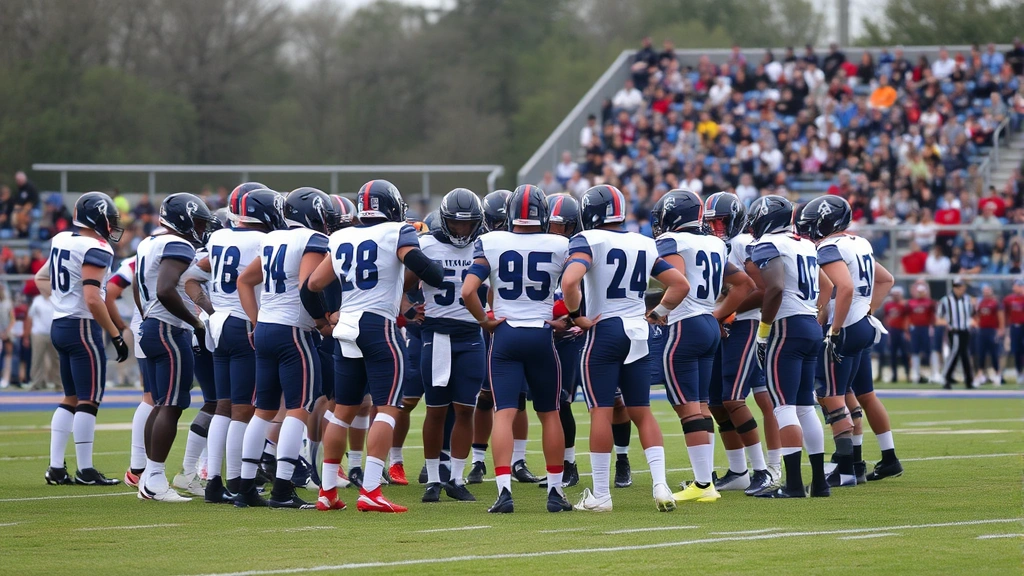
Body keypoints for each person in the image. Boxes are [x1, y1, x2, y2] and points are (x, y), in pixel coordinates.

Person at [309, 179, 444, 513]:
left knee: (343, 410)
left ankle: (327, 491)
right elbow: (421, 266)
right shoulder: (397, 231)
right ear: (393, 206)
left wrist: (324, 319)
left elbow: (313, 284)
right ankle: (370, 488)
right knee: (388, 407)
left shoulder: (340, 236)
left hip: (346, 325)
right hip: (377, 324)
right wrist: (436, 272)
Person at [563, 185, 687, 513]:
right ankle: (661, 485)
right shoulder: (644, 242)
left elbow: (569, 281)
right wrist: (657, 313)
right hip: (638, 331)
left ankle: (602, 495)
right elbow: (680, 284)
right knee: (641, 411)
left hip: (605, 329)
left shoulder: (589, 239)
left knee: (601, 411)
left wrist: (577, 316)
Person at [461, 185, 571, 514]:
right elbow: (575, 286)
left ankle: (504, 491)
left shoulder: (491, 242)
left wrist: (485, 321)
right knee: (550, 414)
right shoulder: (560, 244)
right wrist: (566, 318)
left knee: (504, 414)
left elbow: (469, 291)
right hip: (541, 334)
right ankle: (554, 492)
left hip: (506, 335)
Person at [233, 187, 337, 509]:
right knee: (299, 408)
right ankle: (281, 490)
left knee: (263, 410)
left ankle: (245, 488)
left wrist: (256, 320)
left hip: (266, 329)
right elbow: (309, 287)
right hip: (293, 331)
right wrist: (322, 322)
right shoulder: (312, 240)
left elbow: (244, 281)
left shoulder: (273, 238)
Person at [651, 189, 753, 503]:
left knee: (687, 407)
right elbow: (744, 285)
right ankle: (704, 481)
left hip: (686, 325)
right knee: (702, 404)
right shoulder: (713, 243)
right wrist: (716, 314)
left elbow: (677, 282)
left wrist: (658, 313)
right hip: (709, 324)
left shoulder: (673, 241)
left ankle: (703, 484)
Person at [798, 195, 899, 488]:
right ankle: (857, 461)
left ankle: (845, 469)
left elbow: (843, 287)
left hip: (846, 327)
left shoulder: (830, 247)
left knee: (831, 396)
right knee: (854, 394)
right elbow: (886, 280)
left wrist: (835, 328)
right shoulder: (859, 242)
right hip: (863, 326)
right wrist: (867, 310)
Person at [40, 192, 129, 486]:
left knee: (71, 397)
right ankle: (86, 469)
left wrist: (61, 304)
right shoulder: (97, 247)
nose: (112, 224)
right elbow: (92, 299)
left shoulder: (62, 239)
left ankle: (55, 468)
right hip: (81, 327)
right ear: (98, 217)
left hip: (60, 324)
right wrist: (115, 334)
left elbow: (42, 277)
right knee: (89, 400)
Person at [134, 193, 215, 501]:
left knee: (160, 402)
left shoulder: (148, 243)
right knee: (173, 404)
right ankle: (154, 481)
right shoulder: (177, 244)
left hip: (154, 327)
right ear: (183, 219)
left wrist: (148, 317)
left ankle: (149, 478)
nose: (199, 228)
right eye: (196, 221)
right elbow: (165, 289)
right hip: (169, 330)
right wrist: (194, 322)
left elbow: (137, 287)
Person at [746, 195, 827, 498]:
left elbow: (775, 287)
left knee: (784, 406)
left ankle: (793, 484)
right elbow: (826, 285)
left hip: (788, 328)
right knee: (806, 406)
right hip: (809, 323)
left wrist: (763, 332)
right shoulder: (805, 243)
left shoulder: (769, 243)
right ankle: (818, 483)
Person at [703, 192, 780, 496]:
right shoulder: (714, 246)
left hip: (743, 325)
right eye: (711, 222)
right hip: (721, 324)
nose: (716, 227)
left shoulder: (741, 244)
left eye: (720, 221)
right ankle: (738, 471)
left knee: (735, 399)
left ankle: (762, 469)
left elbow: (762, 289)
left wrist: (727, 312)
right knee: (716, 403)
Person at [412, 188, 486, 503]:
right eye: (456, 224)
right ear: (445, 221)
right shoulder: (426, 244)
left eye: (468, 224)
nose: (462, 230)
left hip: (471, 336)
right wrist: (407, 309)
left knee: (465, 409)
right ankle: (433, 477)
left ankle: (456, 477)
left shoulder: (486, 245)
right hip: (437, 335)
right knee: (436, 410)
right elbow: (403, 284)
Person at [465, 189, 542, 486]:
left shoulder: (501, 243)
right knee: (486, 398)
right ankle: (478, 460)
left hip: (505, 324)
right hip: (493, 324)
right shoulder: (484, 243)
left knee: (516, 399)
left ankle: (517, 460)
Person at [545, 193, 584, 488]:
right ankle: (560, 466)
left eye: (560, 225)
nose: (554, 230)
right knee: (551, 403)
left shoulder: (584, 249)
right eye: (550, 224)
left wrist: (571, 320)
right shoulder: (539, 247)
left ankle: (571, 464)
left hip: (573, 334)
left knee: (564, 401)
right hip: (546, 332)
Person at [938, 278, 974, 389]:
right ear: (954, 288)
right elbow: (939, 316)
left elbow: (972, 313)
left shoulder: (968, 299)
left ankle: (969, 381)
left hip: (965, 330)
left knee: (964, 355)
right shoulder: (946, 300)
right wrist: (947, 323)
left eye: (962, 287)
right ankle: (946, 378)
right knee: (954, 353)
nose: (961, 289)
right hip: (954, 331)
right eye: (958, 287)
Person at [907, 282, 939, 384]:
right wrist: (908, 330)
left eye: (922, 292)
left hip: (926, 328)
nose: (920, 293)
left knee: (931, 350)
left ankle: (934, 373)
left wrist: (933, 327)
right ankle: (915, 373)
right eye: (919, 292)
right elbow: (908, 317)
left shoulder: (930, 303)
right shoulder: (911, 303)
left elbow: (934, 316)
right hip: (915, 329)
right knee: (915, 351)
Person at [24, 292, 57, 390]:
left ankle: (58, 383)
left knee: (56, 359)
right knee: (37, 359)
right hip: (38, 333)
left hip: (54, 332)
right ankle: (36, 383)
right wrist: (26, 336)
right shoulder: (37, 300)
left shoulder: (57, 298)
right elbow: (29, 318)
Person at [972, 285, 1004, 387]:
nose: (986, 292)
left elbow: (1000, 315)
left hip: (992, 330)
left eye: (988, 290)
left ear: (991, 291)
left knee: (994, 353)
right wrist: (977, 324)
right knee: (981, 353)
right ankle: (980, 374)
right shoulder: (980, 303)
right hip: (982, 330)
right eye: (984, 290)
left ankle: (998, 374)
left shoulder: (995, 303)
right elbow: (977, 316)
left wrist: (1001, 329)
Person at [882, 287, 911, 383]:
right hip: (892, 331)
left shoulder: (904, 305)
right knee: (892, 355)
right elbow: (886, 318)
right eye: (894, 294)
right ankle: (894, 376)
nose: (896, 296)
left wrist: (906, 331)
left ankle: (908, 375)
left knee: (904, 354)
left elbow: (907, 318)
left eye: (897, 294)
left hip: (901, 330)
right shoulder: (888, 305)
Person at [1003, 279, 1024, 385]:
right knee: (1016, 350)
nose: (1016, 288)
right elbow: (1005, 313)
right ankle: (1019, 372)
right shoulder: (1009, 299)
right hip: (1014, 327)